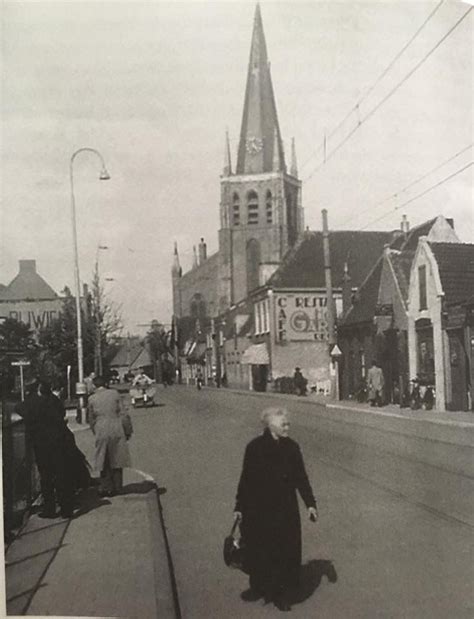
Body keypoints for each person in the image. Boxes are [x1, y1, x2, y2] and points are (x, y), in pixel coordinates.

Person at [234, 408, 318, 611]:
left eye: (288, 424)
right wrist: (239, 506)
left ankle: (280, 594)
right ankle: (258, 586)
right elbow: (246, 479)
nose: (288, 427)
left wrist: (310, 504)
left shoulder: (292, 448)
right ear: (270, 426)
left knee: (284, 551)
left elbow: (301, 477)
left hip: (285, 509)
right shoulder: (254, 448)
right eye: (283, 425)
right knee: (260, 548)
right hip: (258, 509)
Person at [17, 380, 74, 518]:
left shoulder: (34, 402)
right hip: (59, 442)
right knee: (61, 474)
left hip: (42, 444)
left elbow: (19, 408)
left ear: (38, 390)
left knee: (46, 476)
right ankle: (66, 509)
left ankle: (50, 509)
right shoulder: (54, 400)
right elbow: (62, 413)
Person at [87, 375, 132, 497]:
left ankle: (106, 487)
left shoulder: (92, 398)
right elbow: (123, 414)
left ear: (95, 385)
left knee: (103, 458)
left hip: (101, 428)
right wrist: (128, 430)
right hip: (116, 427)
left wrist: (94, 430)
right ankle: (118, 487)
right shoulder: (115, 394)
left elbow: (91, 418)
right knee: (117, 457)